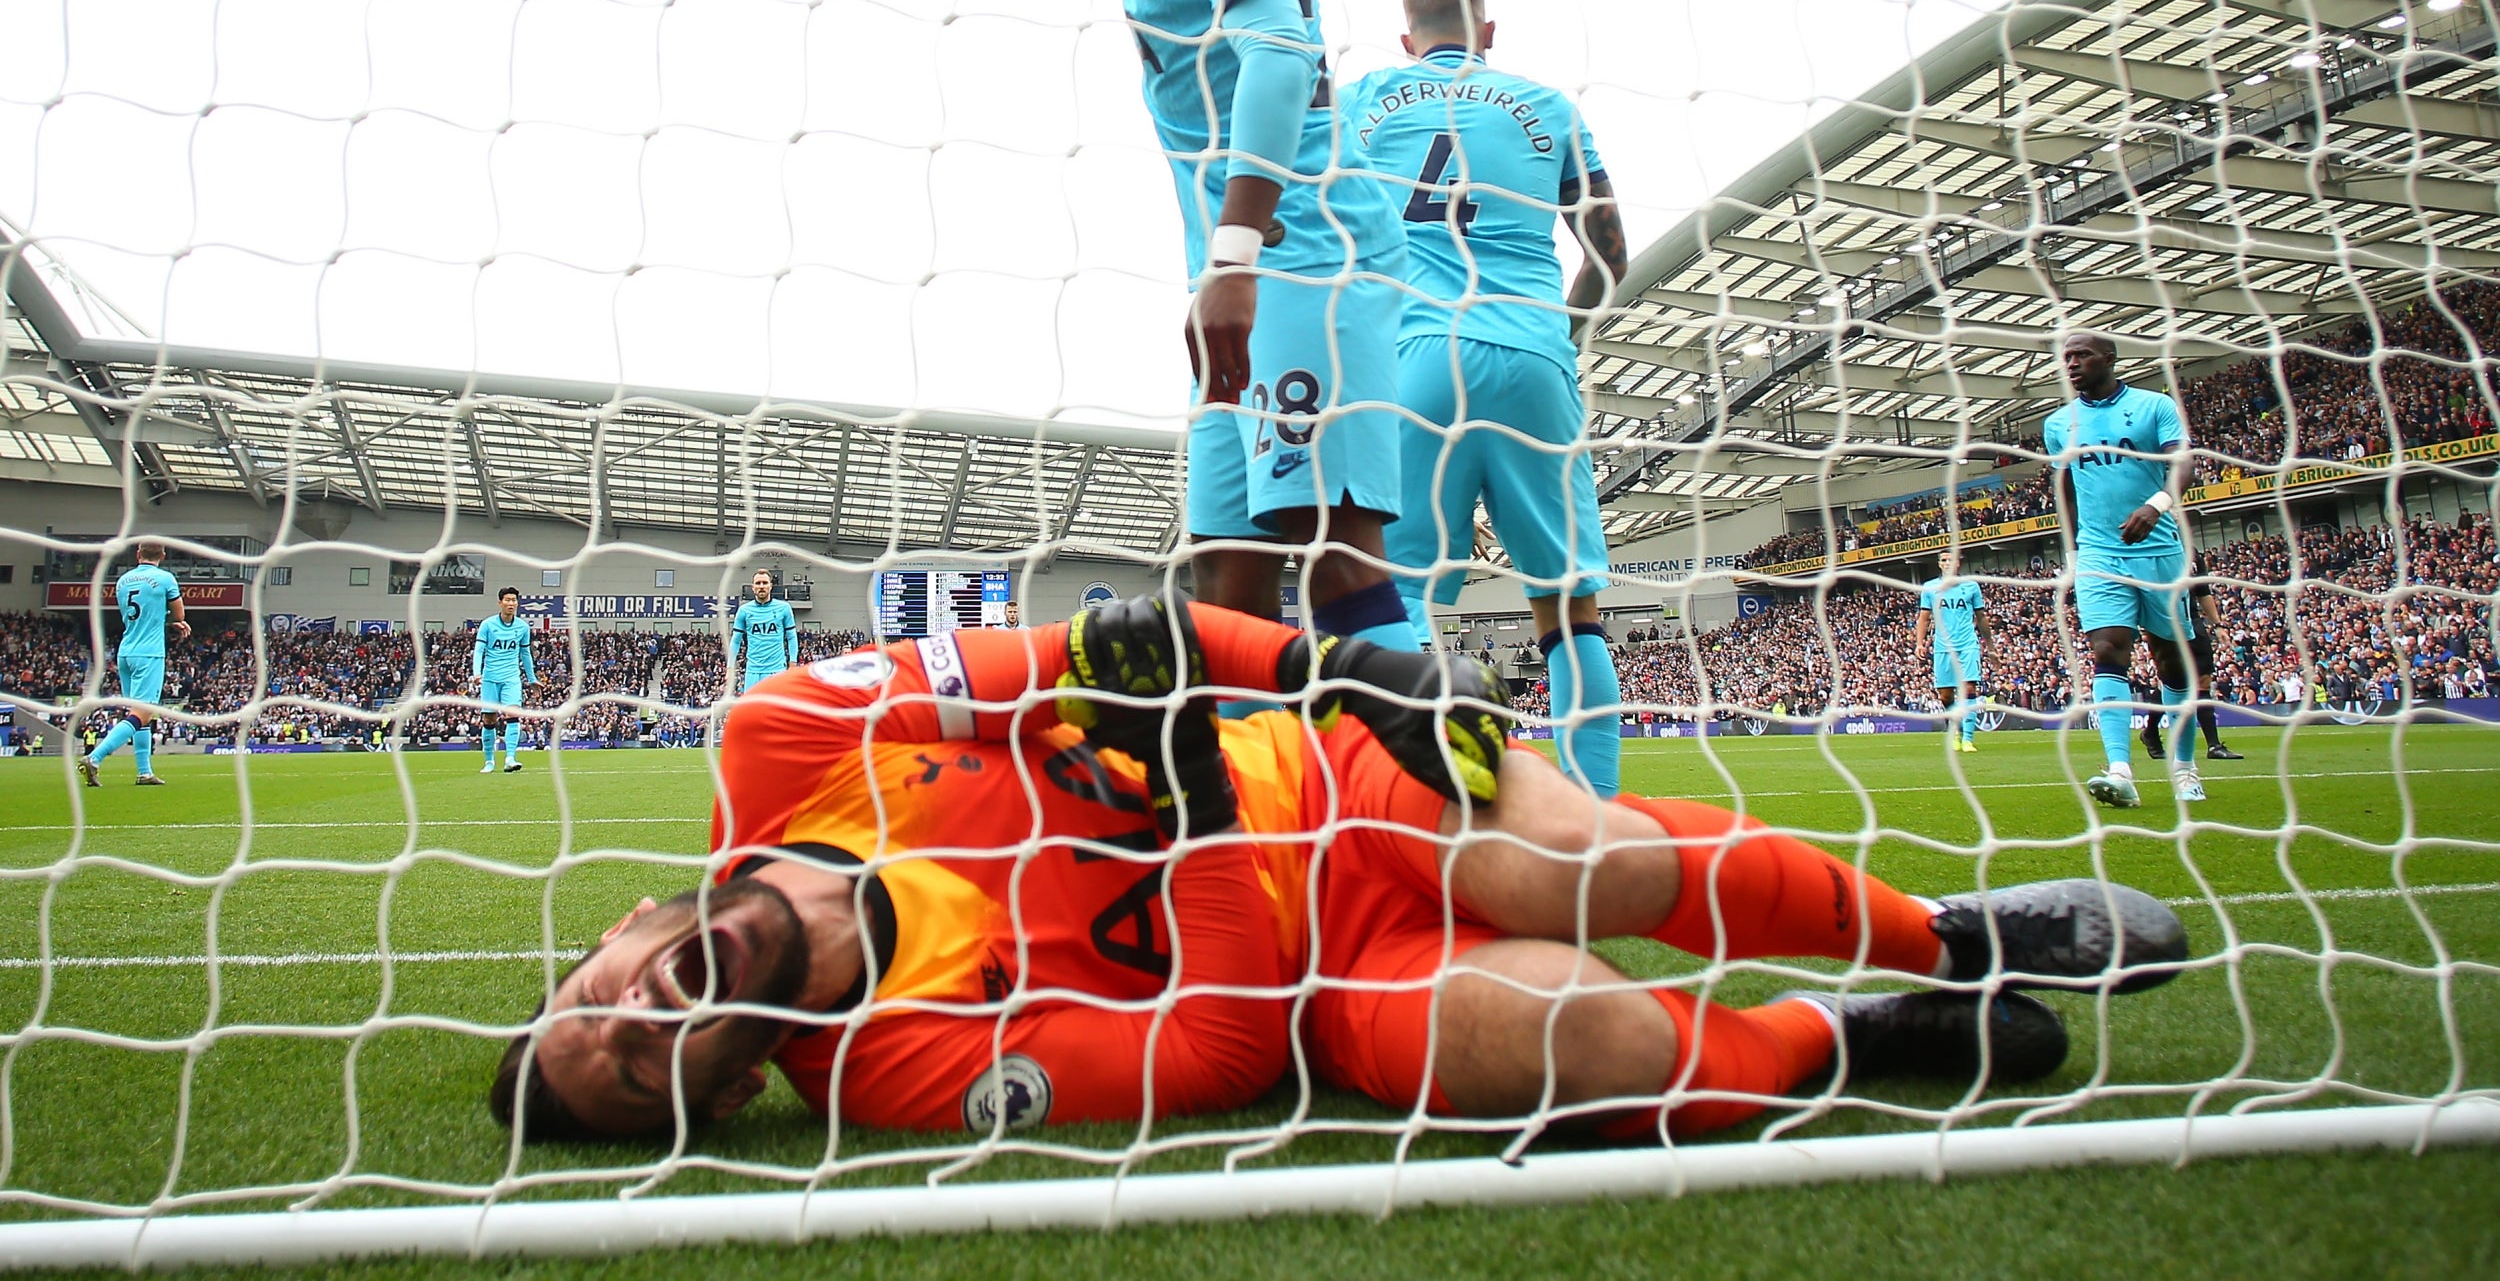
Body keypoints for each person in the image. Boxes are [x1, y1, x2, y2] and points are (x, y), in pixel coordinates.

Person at [489, 597, 2187, 1143]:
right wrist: (1196, 804)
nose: (644, 1017)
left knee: (1553, 870)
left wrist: (1338, 670)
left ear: (620, 926)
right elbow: (1221, 1056)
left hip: (1350, 786)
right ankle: (1852, 1032)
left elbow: (1112, 636)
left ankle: (1949, 930)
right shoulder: (902, 1076)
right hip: (1321, 980)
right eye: (647, 1071)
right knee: (1555, 1037)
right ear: (725, 1094)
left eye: (595, 1000)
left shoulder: (788, 739)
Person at [888, 0, 1415, 654]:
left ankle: (1415, 783)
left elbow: (1274, 53)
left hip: (1301, 257)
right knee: (1226, 555)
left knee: (1333, 536)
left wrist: (1233, 257)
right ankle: (1233, 788)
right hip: (1250, 263)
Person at [1344, 0, 1632, 795]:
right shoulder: (1550, 107)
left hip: (1414, 359)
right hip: (1534, 359)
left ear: (1408, 39)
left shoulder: (1367, 96)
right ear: (1489, 33)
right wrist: (1557, 336)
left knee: (1394, 596)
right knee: (1569, 607)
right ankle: (1591, 820)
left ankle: (1406, 806)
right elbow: (1608, 256)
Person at [2041, 333, 2203, 808]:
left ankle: (2183, 766)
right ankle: (2120, 769)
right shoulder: (2058, 424)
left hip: (2160, 551)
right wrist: (2072, 556)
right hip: (2097, 554)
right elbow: (2066, 489)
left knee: (2172, 661)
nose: (2071, 364)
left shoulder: (2155, 407)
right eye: (2065, 358)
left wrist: (2157, 505)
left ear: (2109, 359)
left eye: (2081, 355)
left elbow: (2184, 463)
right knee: (2108, 648)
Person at [81, 541, 187, 789]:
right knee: (142, 713)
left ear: (138, 554)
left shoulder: (123, 581)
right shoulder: (165, 579)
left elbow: (138, 614)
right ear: (163, 554)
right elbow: (179, 614)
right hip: (149, 653)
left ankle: (144, 772)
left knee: (139, 715)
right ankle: (95, 758)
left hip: (126, 651)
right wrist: (173, 621)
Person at [2141, 563, 2241, 761]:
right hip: (2162, 621)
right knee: (2171, 680)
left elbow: (2203, 591)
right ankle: (2150, 732)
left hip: (2192, 620)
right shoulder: (2148, 547)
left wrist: (2218, 625)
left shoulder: (2191, 553)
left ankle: (2214, 745)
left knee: (2203, 679)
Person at [1913, 571, 1990, 753]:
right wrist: (1919, 644)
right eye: (1944, 560)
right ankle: (1957, 730)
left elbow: (1981, 617)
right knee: (1945, 696)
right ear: (1939, 564)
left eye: (1951, 560)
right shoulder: (1930, 587)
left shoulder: (1971, 586)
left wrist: (1991, 646)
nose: (1948, 563)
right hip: (1943, 647)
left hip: (1968, 644)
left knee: (1969, 688)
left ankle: (1968, 740)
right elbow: (1924, 618)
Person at [472, 588, 535, 775]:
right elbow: (478, 651)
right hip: (490, 678)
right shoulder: (487, 625)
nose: (511, 603)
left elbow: (525, 653)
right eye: (507, 600)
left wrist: (532, 679)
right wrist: (477, 673)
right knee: (489, 719)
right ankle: (489, 761)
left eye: (514, 600)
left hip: (511, 678)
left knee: (513, 715)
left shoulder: (523, 627)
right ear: (500, 602)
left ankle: (510, 758)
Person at [729, 572, 797, 694]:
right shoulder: (744, 610)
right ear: (753, 587)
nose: (761, 586)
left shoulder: (784, 608)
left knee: (777, 709)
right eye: (758, 583)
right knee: (752, 710)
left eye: (765, 583)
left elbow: (791, 637)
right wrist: (730, 667)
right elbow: (735, 640)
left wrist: (792, 664)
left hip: (776, 669)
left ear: (771, 586)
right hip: (753, 670)